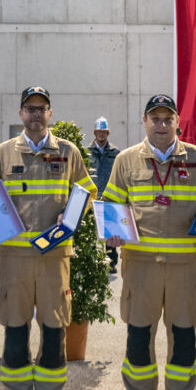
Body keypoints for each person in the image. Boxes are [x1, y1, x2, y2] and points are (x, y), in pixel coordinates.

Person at [0, 86, 95, 390]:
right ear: (21, 114)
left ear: (50, 113)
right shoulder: (3, 153)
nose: (36, 114)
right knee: (15, 328)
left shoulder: (68, 152)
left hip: (55, 256)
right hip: (14, 258)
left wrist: (70, 216)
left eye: (42, 108)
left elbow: (87, 192)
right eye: (30, 108)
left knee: (55, 329)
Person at [103, 94, 196, 390]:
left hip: (183, 267)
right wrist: (112, 231)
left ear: (177, 122)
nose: (162, 125)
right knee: (139, 337)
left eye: (168, 119)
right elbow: (112, 204)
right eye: (155, 119)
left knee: (184, 337)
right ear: (145, 121)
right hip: (140, 266)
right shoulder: (126, 160)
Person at [88, 116, 121, 273]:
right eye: (99, 132)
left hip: (109, 197)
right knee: (90, 232)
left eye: (104, 132)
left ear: (108, 133)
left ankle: (110, 263)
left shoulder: (116, 153)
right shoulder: (86, 152)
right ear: (95, 132)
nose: (101, 135)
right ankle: (90, 263)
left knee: (109, 232)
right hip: (91, 197)